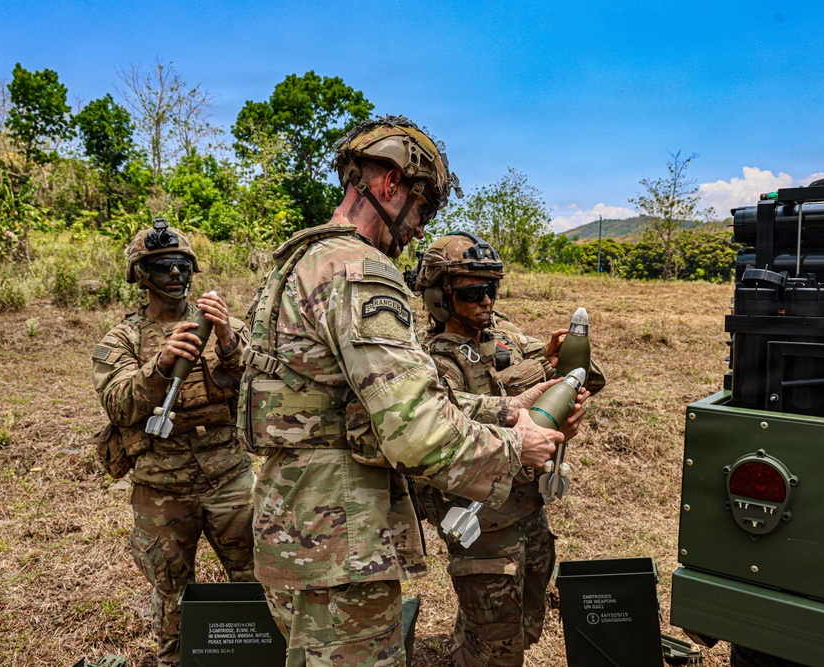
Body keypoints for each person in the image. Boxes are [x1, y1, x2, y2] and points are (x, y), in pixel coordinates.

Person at [239, 115, 582, 667]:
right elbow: (414, 429)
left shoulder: (303, 260)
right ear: (389, 185)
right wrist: (517, 446)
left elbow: (363, 399)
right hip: (342, 539)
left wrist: (506, 407)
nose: (421, 229)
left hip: (298, 520)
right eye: (423, 208)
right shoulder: (361, 271)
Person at [413, 233, 606, 666]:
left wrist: (571, 361)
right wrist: (530, 395)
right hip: (482, 521)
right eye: (472, 292)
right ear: (440, 297)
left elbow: (588, 379)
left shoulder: (505, 336)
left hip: (528, 505)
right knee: (497, 648)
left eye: (492, 290)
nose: (486, 301)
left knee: (527, 620)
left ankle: (469, 643)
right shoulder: (431, 363)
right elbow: (443, 431)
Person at [91, 218, 255, 667]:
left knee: (256, 578)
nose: (177, 274)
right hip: (161, 488)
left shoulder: (224, 326)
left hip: (229, 479)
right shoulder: (120, 340)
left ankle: (259, 654)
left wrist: (227, 342)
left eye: (183, 264)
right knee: (171, 590)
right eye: (164, 266)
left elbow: (262, 388)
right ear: (142, 275)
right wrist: (159, 365)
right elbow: (118, 405)